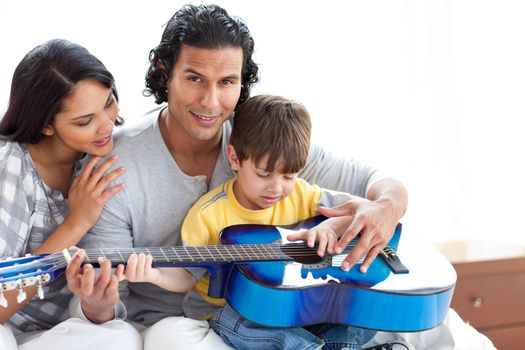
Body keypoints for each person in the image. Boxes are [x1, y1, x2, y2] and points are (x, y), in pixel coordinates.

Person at [67, 3, 407, 349]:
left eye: (227, 82)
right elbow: (108, 303)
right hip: (178, 326)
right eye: (194, 78)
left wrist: (387, 207)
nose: (211, 102)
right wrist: (99, 305)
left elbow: (374, 180)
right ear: (164, 71)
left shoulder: (258, 138)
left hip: (280, 308)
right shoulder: (114, 166)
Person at [123, 94, 380, 349]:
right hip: (225, 314)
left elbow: (362, 211)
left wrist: (330, 226)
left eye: (289, 176)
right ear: (235, 159)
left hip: (288, 307)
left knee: (367, 310)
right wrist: (153, 274)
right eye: (263, 174)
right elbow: (187, 277)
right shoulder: (208, 215)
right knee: (240, 322)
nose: (276, 188)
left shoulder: (305, 195)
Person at [0, 39, 141, 350]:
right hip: (8, 327)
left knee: (122, 337)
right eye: (84, 121)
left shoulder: (95, 158)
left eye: (108, 103)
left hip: (65, 328)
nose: (107, 126)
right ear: (47, 125)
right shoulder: (10, 168)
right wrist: (75, 224)